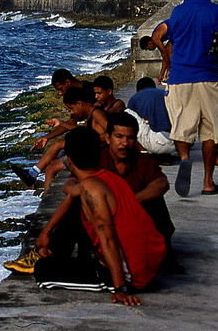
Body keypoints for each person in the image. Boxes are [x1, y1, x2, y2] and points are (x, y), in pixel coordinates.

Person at [31, 126, 167, 304]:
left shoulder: (91, 188)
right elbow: (72, 195)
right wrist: (45, 232)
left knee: (42, 270)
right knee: (76, 207)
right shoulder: (106, 177)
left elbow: (108, 238)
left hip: (132, 277)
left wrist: (120, 289)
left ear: (69, 160)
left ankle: (107, 278)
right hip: (148, 265)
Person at [139, 0, 218, 197]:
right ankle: (208, 182)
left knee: (182, 126)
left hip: (180, 78)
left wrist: (164, 55)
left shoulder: (178, 13)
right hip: (209, 77)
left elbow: (157, 35)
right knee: (211, 131)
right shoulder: (216, 12)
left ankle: (184, 158)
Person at [99, 112, 182, 273]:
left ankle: (165, 254)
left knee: (155, 201)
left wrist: (131, 201)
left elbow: (162, 183)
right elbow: (72, 184)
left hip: (134, 216)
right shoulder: (98, 159)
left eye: (130, 138)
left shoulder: (143, 161)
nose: (125, 143)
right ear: (108, 138)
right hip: (104, 215)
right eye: (119, 137)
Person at [13, 85, 107, 191]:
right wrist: (60, 124)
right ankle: (36, 180)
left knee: (58, 149)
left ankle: (34, 176)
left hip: (94, 154)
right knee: (51, 166)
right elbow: (80, 130)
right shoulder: (90, 116)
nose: (72, 112)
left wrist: (91, 139)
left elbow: (110, 133)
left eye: (71, 109)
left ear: (80, 103)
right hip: (91, 150)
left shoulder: (97, 113)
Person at [125, 77, 176, 157]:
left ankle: (143, 152)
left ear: (138, 90)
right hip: (178, 144)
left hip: (156, 143)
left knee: (127, 114)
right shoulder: (166, 93)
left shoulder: (135, 97)